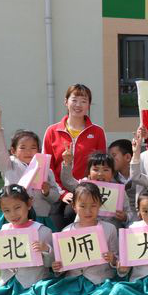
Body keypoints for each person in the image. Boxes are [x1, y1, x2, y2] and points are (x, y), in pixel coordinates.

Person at [31, 182, 119, 295]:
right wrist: (58, 267)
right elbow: (61, 266)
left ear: (100, 205)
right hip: (73, 281)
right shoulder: (66, 232)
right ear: (74, 207)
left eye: (93, 205)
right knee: (44, 288)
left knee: (113, 291)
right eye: (82, 206)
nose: (88, 211)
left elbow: (117, 258)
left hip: (99, 281)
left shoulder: (109, 229)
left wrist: (113, 259)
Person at [42, 84, 107, 229]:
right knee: (56, 226)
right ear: (66, 102)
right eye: (74, 100)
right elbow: (47, 167)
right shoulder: (52, 131)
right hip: (58, 193)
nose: (78, 105)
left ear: (89, 105)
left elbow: (101, 166)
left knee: (73, 216)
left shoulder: (97, 132)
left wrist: (86, 190)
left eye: (84, 101)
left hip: (86, 193)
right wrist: (61, 193)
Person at [0, 104, 60, 231]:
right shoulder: (9, 165)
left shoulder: (46, 170)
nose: (28, 151)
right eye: (22, 147)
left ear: (38, 150)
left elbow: (55, 197)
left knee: (42, 243)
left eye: (33, 147)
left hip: (40, 218)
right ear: (13, 151)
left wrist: (47, 192)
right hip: (13, 219)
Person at [60, 151, 130, 229]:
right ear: (89, 172)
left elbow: (129, 212)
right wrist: (67, 163)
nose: (100, 173)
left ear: (112, 173)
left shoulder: (119, 191)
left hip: (110, 231)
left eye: (105, 170)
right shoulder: (84, 186)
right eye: (96, 170)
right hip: (85, 229)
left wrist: (125, 217)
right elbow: (68, 181)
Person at [108, 139, 138, 222]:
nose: (110, 160)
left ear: (127, 157)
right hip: (116, 218)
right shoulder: (108, 178)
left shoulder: (141, 174)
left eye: (114, 155)